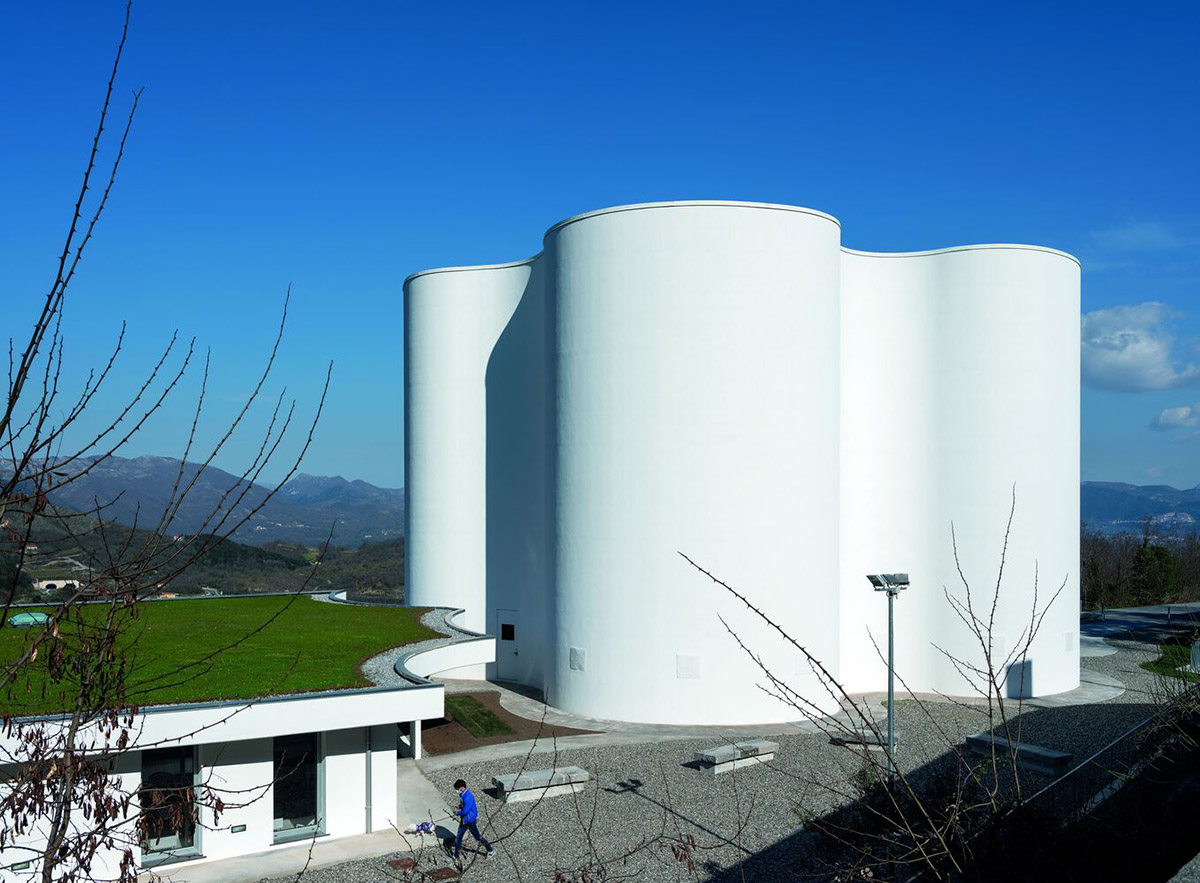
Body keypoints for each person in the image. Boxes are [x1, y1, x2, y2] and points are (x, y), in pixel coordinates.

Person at [453, 778, 493, 863]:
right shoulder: (463, 794)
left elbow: (466, 811)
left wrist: (458, 812)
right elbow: (465, 806)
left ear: (462, 788)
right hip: (465, 820)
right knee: (459, 837)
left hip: (469, 820)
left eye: (457, 789)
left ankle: (490, 850)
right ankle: (456, 855)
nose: (457, 791)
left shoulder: (468, 797)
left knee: (477, 837)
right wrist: (460, 806)